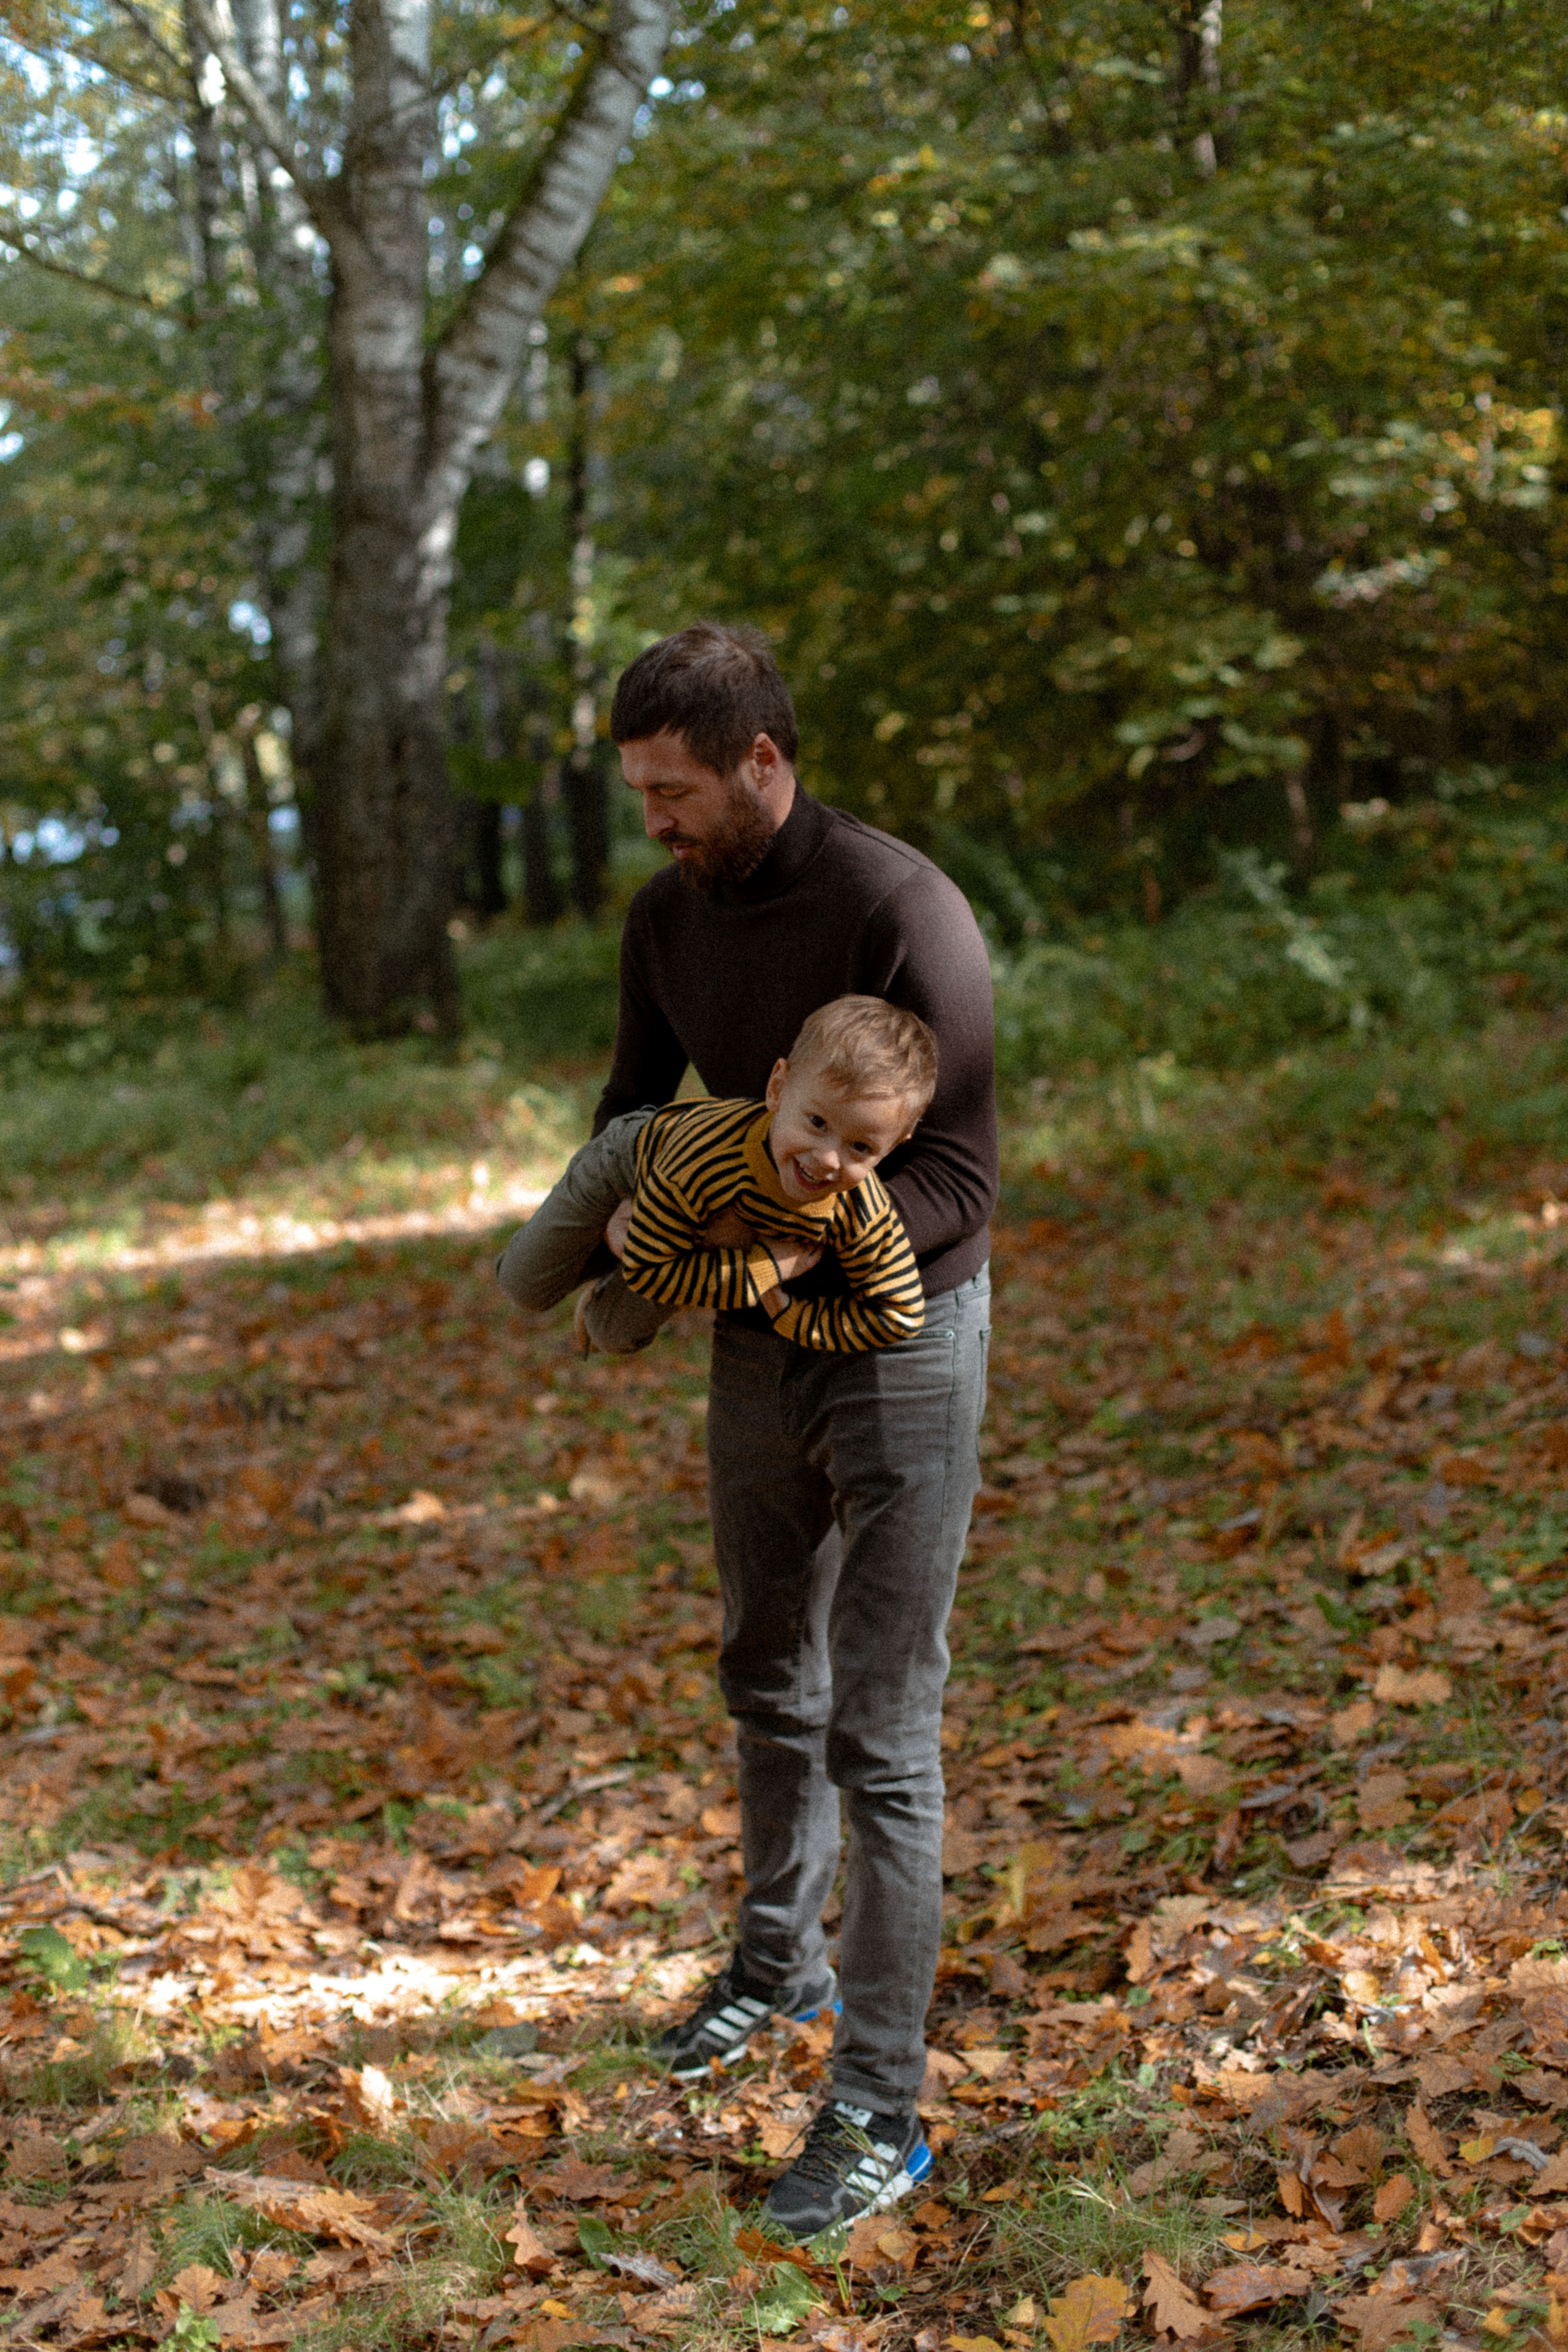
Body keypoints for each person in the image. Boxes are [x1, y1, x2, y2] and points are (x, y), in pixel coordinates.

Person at [598, 624, 997, 2242]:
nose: (656, 823)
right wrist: (639, 1225)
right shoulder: (662, 918)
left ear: (763, 759)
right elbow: (636, 1109)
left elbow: (959, 1184)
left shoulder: (900, 911)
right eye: (637, 793)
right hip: (749, 1354)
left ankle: (879, 2112)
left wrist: (772, 1248)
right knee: (768, 1671)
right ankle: (777, 1966)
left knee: (883, 1740)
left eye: (675, 791)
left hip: (903, 1346)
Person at [496, 996, 938, 1357]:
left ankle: (625, 1276)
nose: (827, 1160)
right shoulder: (703, 1160)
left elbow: (898, 1314)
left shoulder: (860, 1208)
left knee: (613, 1335)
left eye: (860, 1147)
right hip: (636, 1158)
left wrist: (792, 1317)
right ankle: (604, 1238)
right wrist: (767, 1267)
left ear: (894, 1147)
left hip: (709, 1215)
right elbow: (652, 1272)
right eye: (817, 1123)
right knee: (523, 1287)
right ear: (778, 1089)